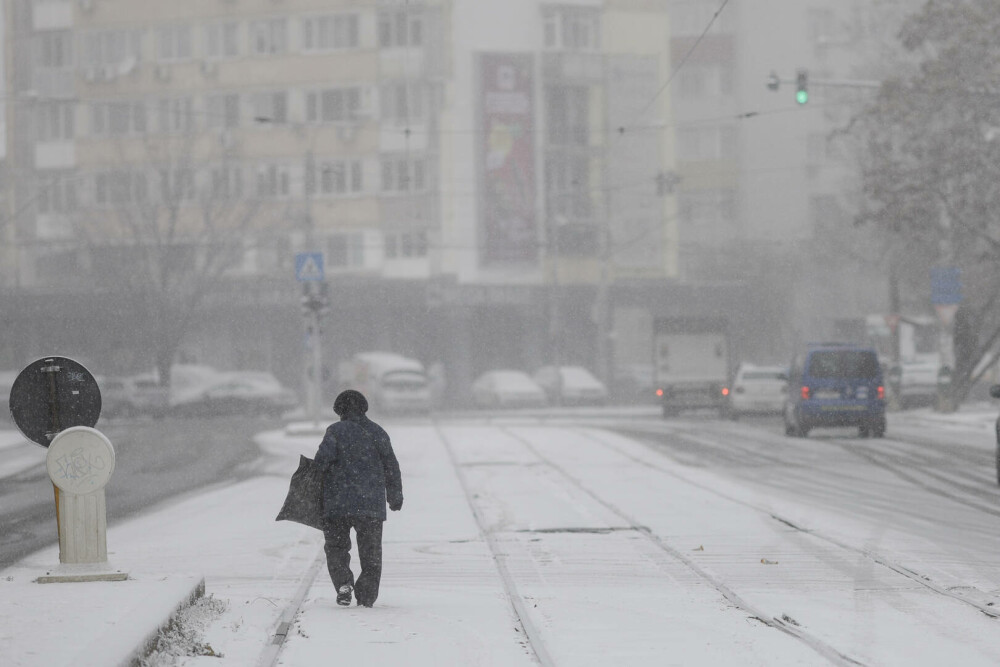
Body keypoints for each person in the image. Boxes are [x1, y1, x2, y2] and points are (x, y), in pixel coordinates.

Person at [314, 389, 403, 607]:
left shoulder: (334, 432)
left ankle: (344, 582)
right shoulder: (377, 432)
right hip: (370, 504)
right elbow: (391, 466)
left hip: (337, 504)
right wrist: (395, 495)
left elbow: (320, 464)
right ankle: (367, 596)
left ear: (339, 411)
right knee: (371, 552)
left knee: (336, 548)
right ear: (364, 408)